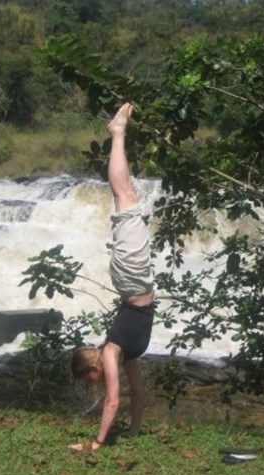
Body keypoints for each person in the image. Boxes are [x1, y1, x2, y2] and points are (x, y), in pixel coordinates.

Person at [69, 103, 155, 451]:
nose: (97, 382)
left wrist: (97, 443)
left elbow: (112, 402)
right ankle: (117, 135)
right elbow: (138, 393)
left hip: (133, 280)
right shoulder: (124, 355)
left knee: (125, 197)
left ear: (91, 367)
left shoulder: (111, 352)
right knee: (126, 198)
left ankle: (117, 133)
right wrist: (133, 433)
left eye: (89, 378)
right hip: (136, 281)